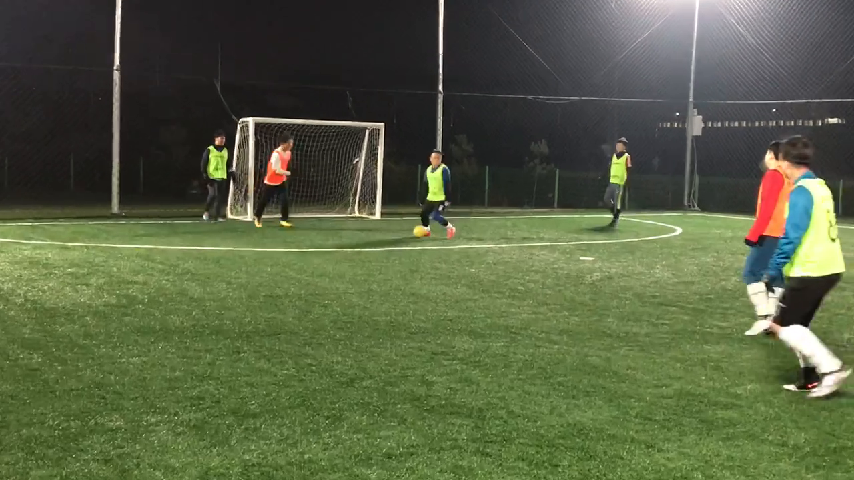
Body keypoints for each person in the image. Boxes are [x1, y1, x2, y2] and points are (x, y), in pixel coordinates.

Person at [745, 135, 849, 398]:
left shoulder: (801, 192)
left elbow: (791, 236)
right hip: (830, 266)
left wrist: (774, 269)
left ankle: (831, 369)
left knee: (781, 325)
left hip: (811, 269)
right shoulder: (820, 186)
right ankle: (809, 378)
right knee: (798, 325)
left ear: (784, 161)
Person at [743, 141, 792, 334]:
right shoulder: (788, 176)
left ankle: (765, 316)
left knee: (751, 273)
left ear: (771, 155)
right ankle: (776, 319)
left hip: (770, 233)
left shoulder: (773, 175)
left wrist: (754, 234)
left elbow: (767, 208)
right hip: (783, 233)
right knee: (776, 276)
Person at [253, 132, 293, 228]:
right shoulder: (276, 154)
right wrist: (289, 173)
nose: (291, 145)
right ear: (283, 144)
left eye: (291, 143)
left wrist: (288, 172)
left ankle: (284, 220)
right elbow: (277, 170)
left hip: (281, 180)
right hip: (271, 180)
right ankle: (257, 217)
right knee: (265, 200)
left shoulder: (288, 153)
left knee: (285, 199)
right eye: (289, 143)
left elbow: (286, 165)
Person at [419, 150, 456, 239]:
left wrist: (448, 199)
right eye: (435, 158)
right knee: (423, 214)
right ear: (430, 159)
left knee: (435, 216)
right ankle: (426, 231)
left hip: (441, 198)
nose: (437, 160)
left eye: (439, 158)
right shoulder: (428, 170)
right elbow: (425, 184)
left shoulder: (444, 169)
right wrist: (422, 198)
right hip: (430, 197)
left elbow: (447, 184)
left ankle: (450, 228)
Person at [201, 130, 232, 221]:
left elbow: (228, 164)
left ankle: (217, 216)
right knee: (213, 194)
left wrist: (231, 172)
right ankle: (206, 211)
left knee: (219, 197)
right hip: (212, 176)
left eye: (224, 138)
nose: (223, 140)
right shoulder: (209, 150)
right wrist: (205, 175)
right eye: (221, 138)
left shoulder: (225, 151)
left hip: (222, 176)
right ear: (216, 139)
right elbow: (204, 163)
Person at [603, 137, 631, 228]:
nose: (617, 147)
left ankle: (615, 219)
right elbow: (610, 167)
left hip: (619, 183)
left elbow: (629, 169)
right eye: (617, 145)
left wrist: (627, 181)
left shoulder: (626, 156)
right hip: (612, 181)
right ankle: (615, 214)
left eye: (619, 145)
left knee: (617, 202)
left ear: (624, 147)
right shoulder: (614, 156)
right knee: (606, 199)